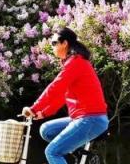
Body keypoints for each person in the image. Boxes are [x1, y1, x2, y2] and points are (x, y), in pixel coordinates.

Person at [21, 27, 108, 164]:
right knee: (46, 130)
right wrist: (43, 113)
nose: (52, 47)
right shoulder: (72, 62)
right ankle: (78, 150)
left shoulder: (76, 62)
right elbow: (62, 95)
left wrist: (34, 108)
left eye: (54, 43)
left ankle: (76, 149)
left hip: (91, 118)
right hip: (85, 118)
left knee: (52, 152)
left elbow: (55, 88)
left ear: (65, 43)